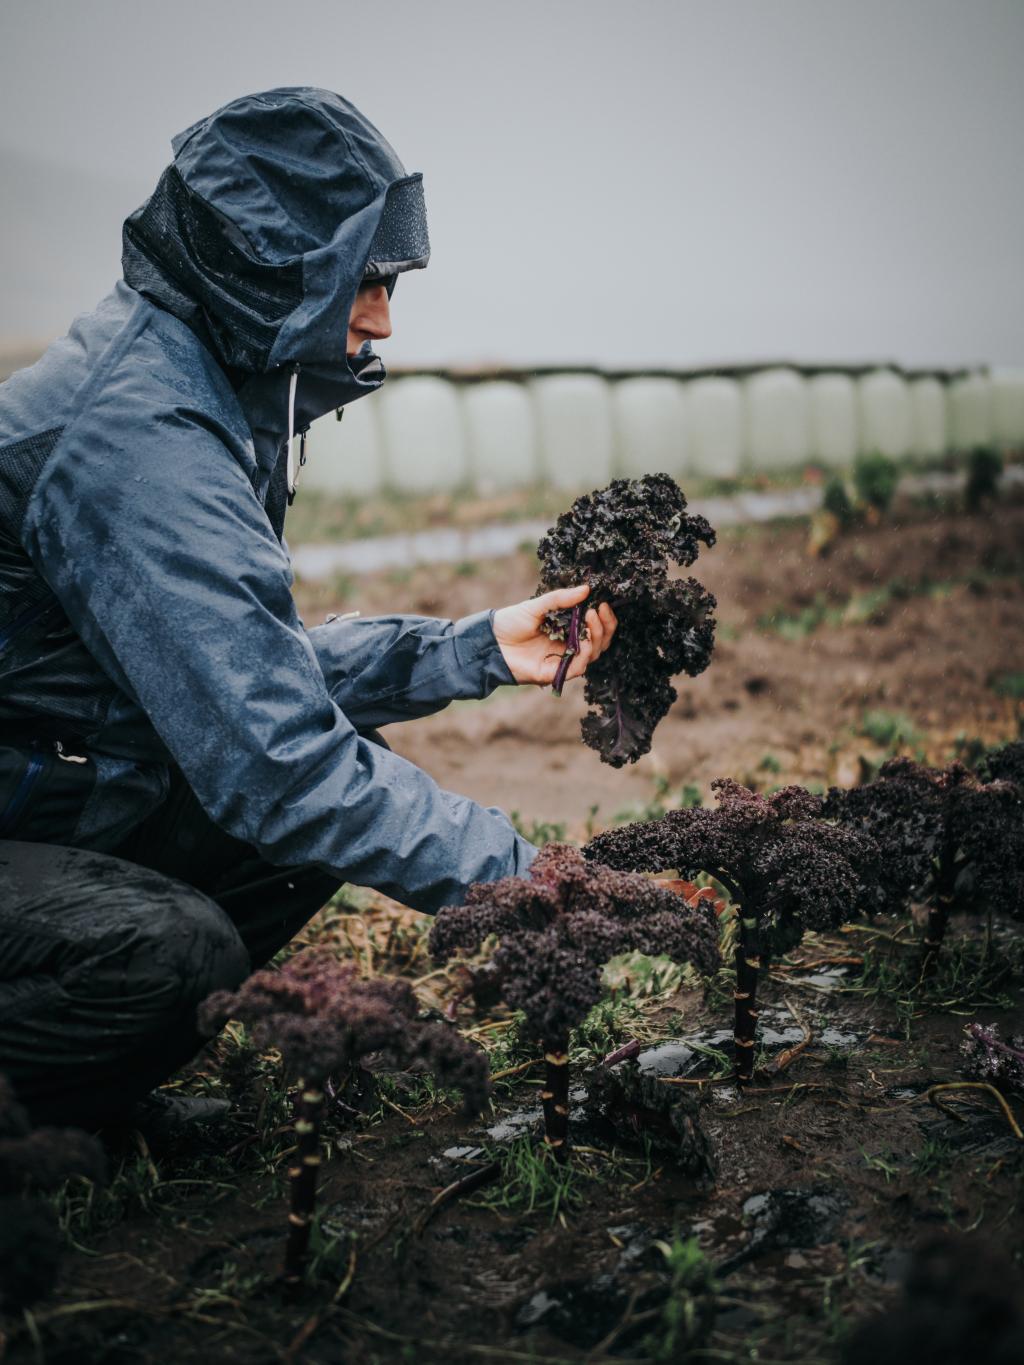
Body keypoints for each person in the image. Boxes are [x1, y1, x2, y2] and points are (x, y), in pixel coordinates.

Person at [0, 88, 616, 1135]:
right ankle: (38, 1119)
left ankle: (83, 1099)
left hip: (48, 791)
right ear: (263, 264)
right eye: (364, 280)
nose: (381, 318)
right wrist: (532, 884)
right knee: (174, 949)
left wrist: (466, 650)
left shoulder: (195, 377)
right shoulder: (140, 439)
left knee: (323, 794)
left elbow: (240, 670)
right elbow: (275, 762)